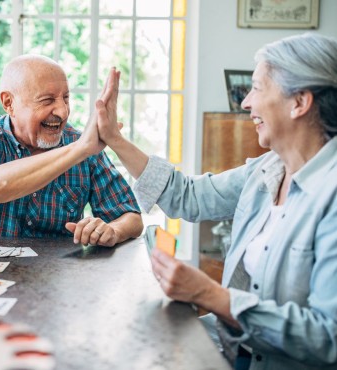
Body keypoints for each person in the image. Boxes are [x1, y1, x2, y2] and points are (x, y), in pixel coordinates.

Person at [94, 33, 337, 369]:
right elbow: (188, 196)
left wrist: (209, 294)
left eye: (258, 87)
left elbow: (329, 338)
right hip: (233, 350)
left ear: (300, 102)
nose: (246, 102)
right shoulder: (265, 171)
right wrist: (115, 140)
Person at [0, 55, 142, 246]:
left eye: (66, 98)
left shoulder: (83, 144)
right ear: (9, 103)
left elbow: (131, 217)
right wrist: (78, 149)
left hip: (57, 272)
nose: (62, 112)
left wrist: (113, 230)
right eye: (47, 100)